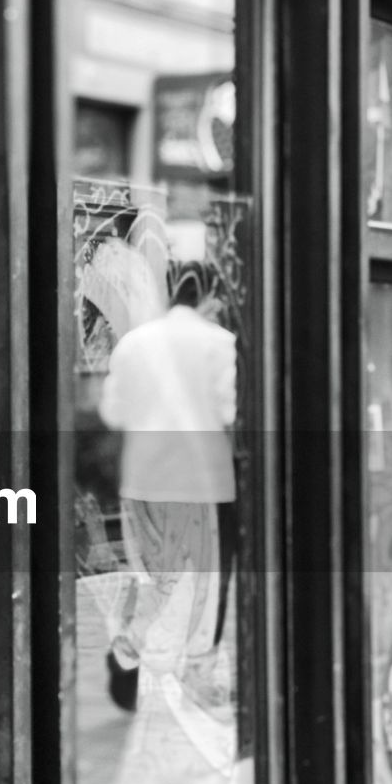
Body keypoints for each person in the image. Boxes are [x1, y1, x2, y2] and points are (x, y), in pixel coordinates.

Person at [98, 275, 237, 711]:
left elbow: (112, 411)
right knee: (207, 582)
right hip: (201, 483)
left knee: (161, 581)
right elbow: (232, 411)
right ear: (210, 297)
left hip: (142, 482)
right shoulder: (221, 344)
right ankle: (196, 673)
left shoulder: (133, 345)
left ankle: (127, 650)